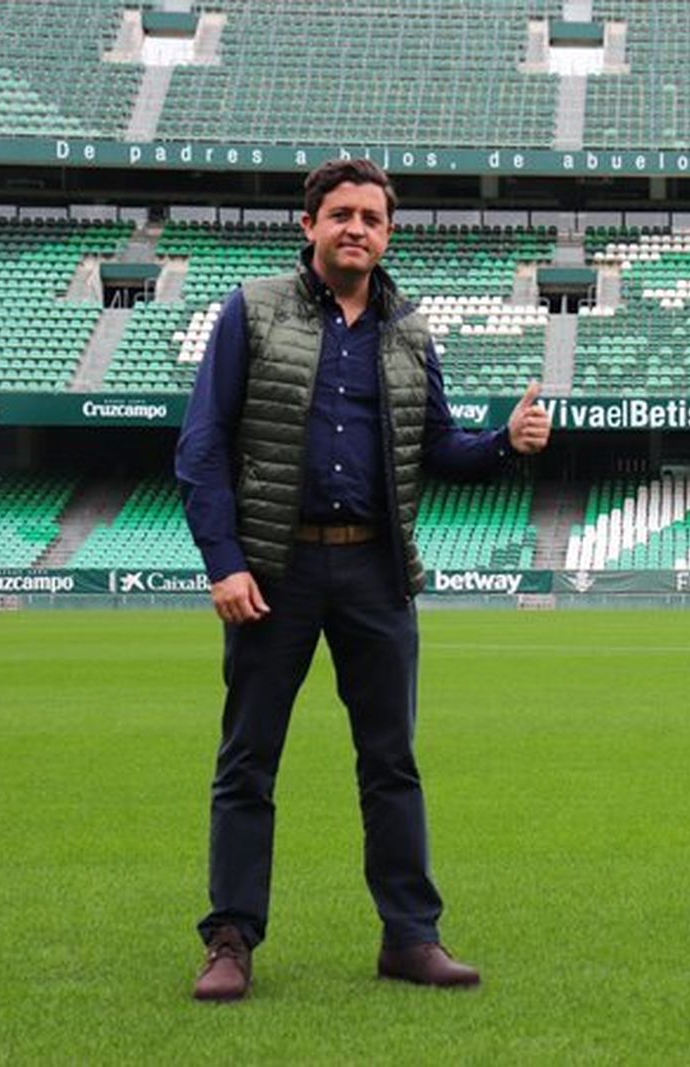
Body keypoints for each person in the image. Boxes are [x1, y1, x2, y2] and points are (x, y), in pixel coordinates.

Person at [176, 158, 551, 1001]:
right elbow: (202, 445)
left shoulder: (411, 331)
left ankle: (410, 936)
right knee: (248, 761)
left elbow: (440, 446)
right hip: (277, 570)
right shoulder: (252, 310)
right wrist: (225, 562)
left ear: (388, 233)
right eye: (340, 214)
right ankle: (231, 938)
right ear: (307, 225)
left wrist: (505, 441)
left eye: (371, 218)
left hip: (377, 570)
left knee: (392, 760)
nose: (356, 228)